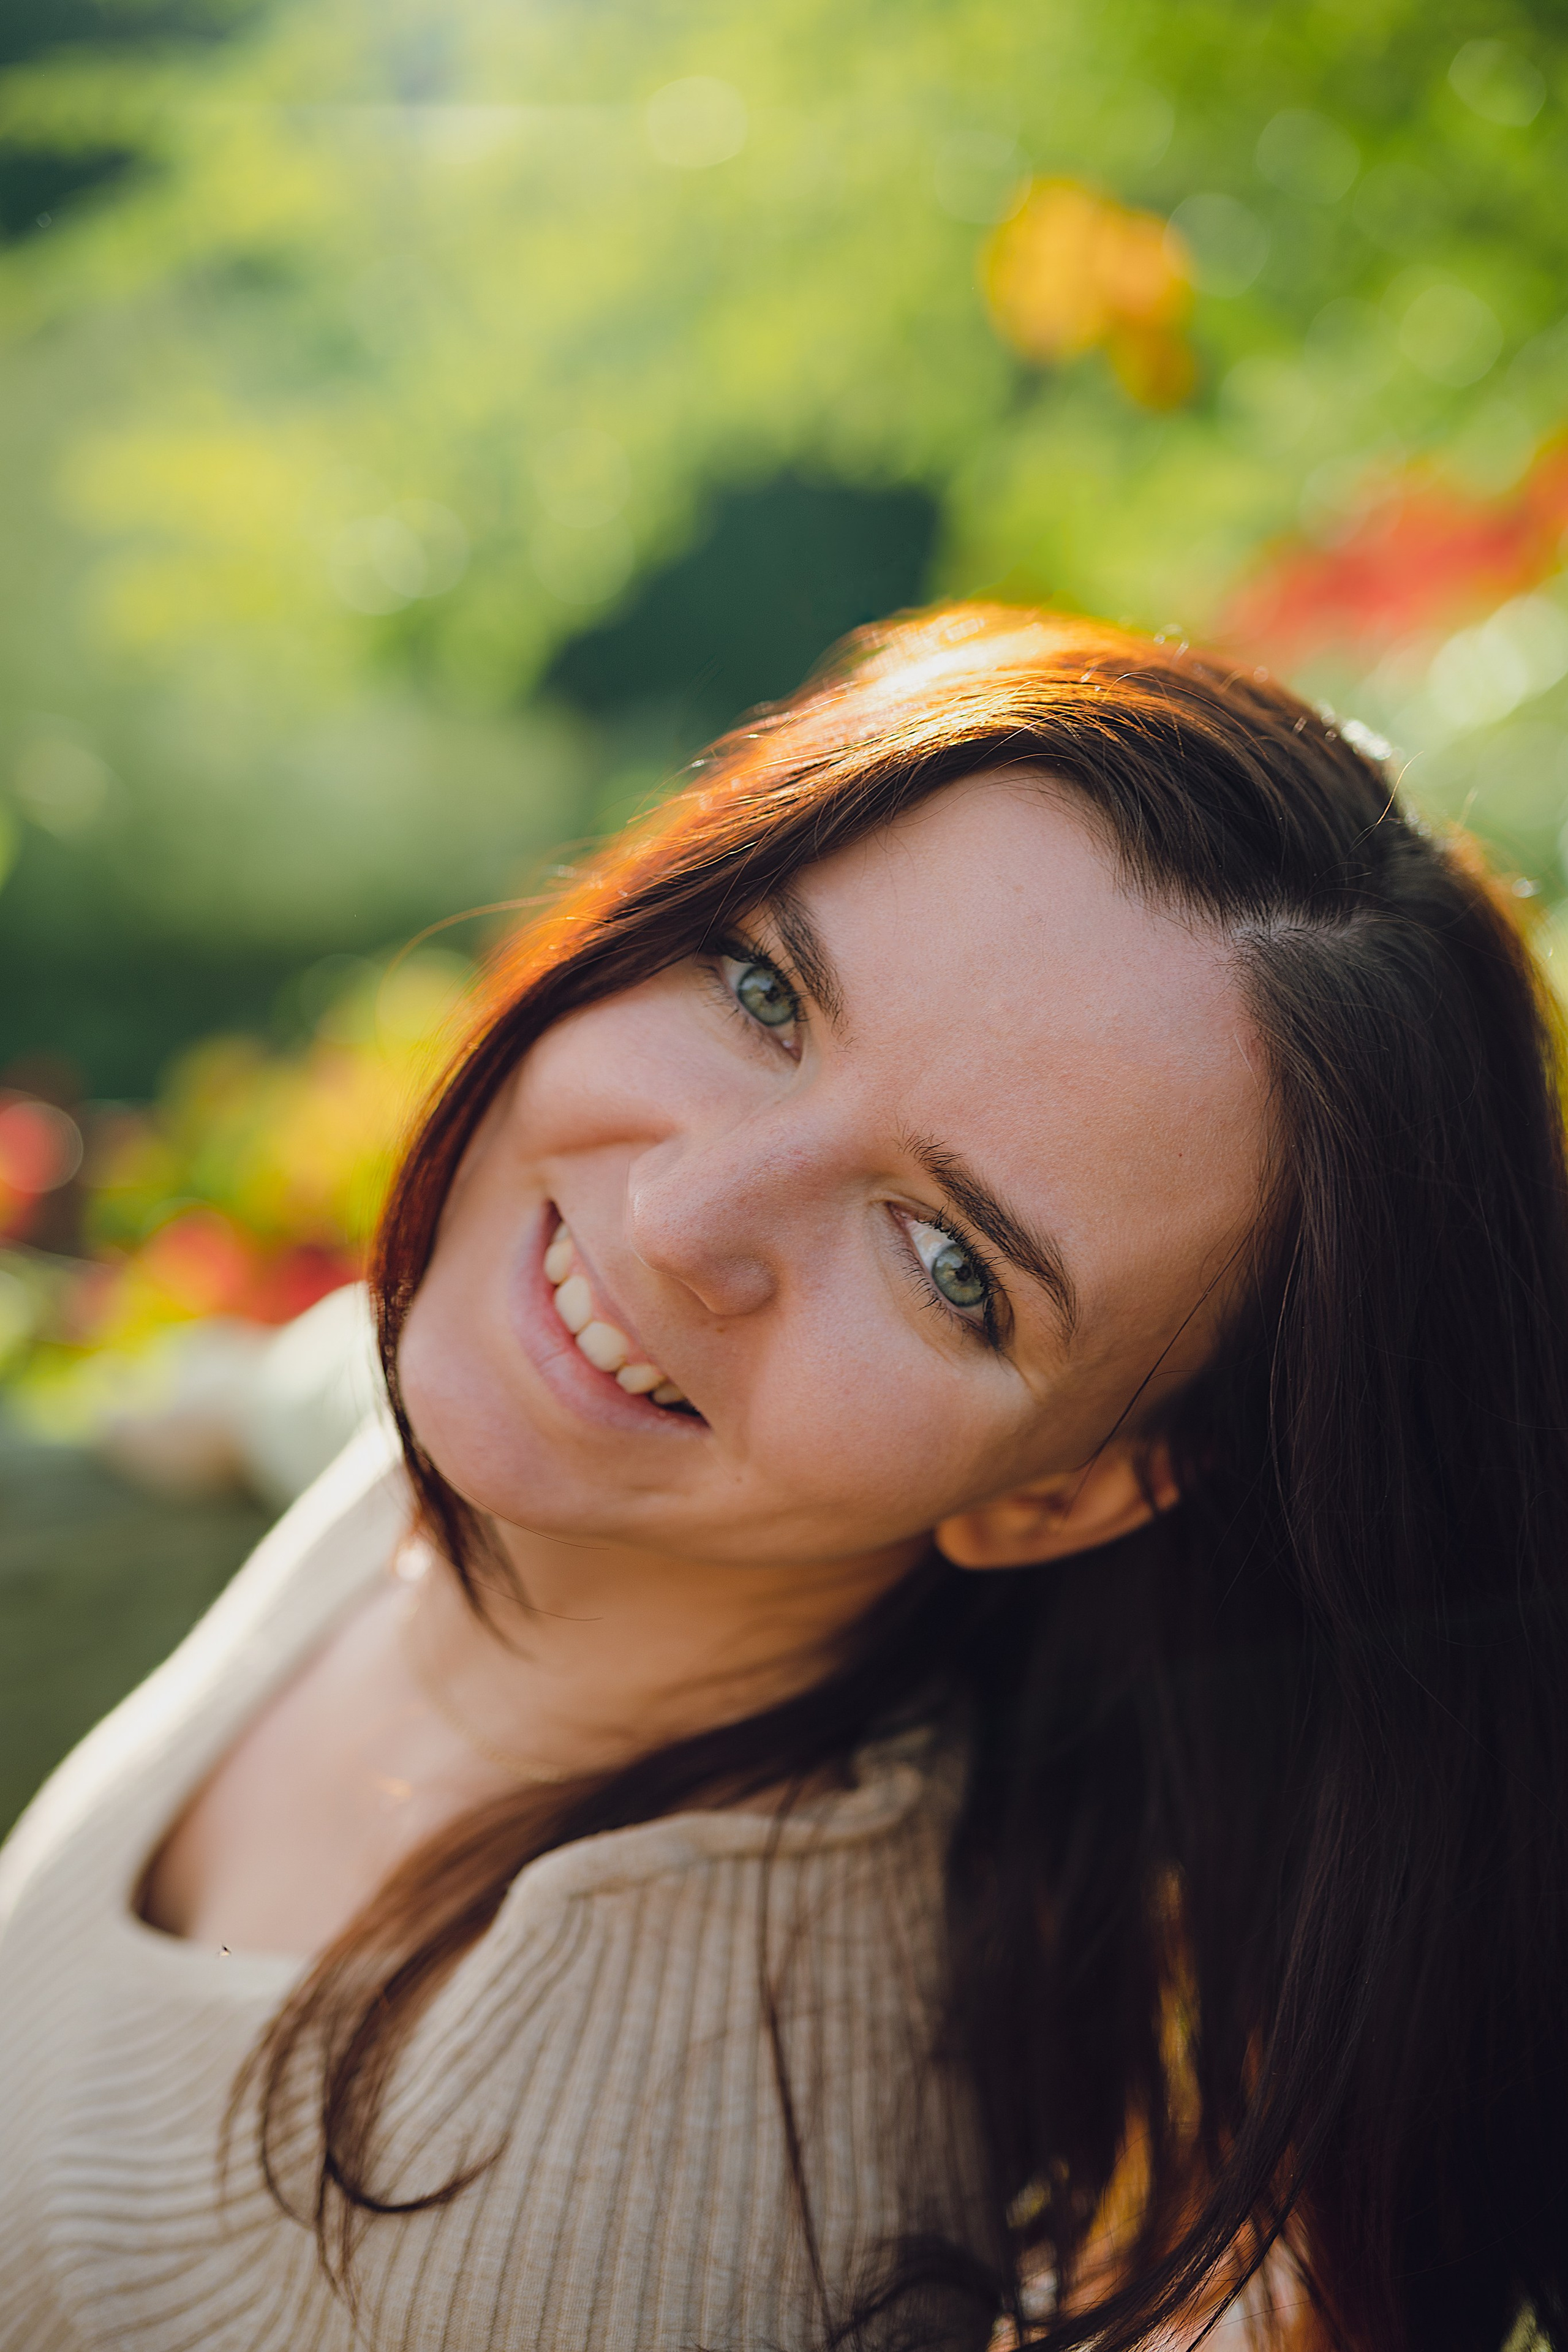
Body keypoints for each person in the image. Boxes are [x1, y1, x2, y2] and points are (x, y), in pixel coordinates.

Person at [1, 604, 1564, 2352]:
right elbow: (328, 1399)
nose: (681, 1222)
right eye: (762, 992)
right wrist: (200, 1399)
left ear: (1072, 1492)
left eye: (946, 1260)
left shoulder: (602, 2233)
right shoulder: (518, 1470)